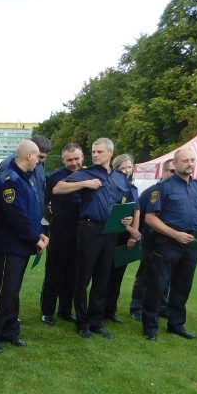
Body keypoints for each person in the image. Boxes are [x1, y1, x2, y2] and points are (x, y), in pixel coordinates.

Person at [53, 138, 137, 339]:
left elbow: (124, 201)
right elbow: (57, 189)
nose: (96, 155)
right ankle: (82, 322)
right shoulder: (85, 172)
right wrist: (84, 184)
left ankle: (96, 321)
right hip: (89, 228)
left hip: (111, 230)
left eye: (99, 151)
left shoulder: (120, 178)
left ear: (111, 152)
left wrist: (126, 217)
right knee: (83, 277)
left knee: (103, 277)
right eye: (93, 151)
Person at [141, 148, 197, 340]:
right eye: (185, 160)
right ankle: (150, 327)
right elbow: (150, 218)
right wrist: (175, 234)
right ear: (176, 164)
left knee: (182, 286)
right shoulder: (162, 188)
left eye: (192, 160)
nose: (190, 164)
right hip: (166, 244)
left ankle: (176, 324)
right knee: (158, 286)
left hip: (191, 245)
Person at [0, 140, 49, 353]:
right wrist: (35, 238)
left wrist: (39, 233)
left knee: (13, 291)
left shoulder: (24, 178)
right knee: (3, 291)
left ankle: (10, 331)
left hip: (21, 245)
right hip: (10, 246)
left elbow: (30, 212)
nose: (39, 161)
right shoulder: (11, 180)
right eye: (38, 157)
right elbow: (17, 216)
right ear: (29, 156)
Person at [39, 143, 83, 324]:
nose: (73, 163)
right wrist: (53, 221)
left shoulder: (89, 174)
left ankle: (66, 310)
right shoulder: (56, 177)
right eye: (69, 160)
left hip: (80, 228)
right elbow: (45, 204)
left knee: (73, 272)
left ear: (82, 157)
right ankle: (47, 311)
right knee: (54, 271)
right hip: (60, 226)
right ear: (63, 160)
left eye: (76, 159)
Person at [130, 160, 173, 320]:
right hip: (151, 242)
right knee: (145, 276)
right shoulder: (152, 192)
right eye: (171, 171)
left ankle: (161, 306)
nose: (174, 175)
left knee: (166, 277)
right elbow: (139, 216)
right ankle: (137, 307)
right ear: (164, 172)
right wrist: (138, 235)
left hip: (171, 243)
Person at [104, 154, 141, 322]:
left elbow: (136, 211)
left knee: (118, 276)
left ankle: (111, 310)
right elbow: (111, 212)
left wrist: (133, 233)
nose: (127, 171)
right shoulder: (112, 186)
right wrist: (130, 229)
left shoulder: (133, 189)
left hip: (125, 237)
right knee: (104, 274)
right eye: (123, 168)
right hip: (110, 234)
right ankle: (99, 309)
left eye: (129, 167)